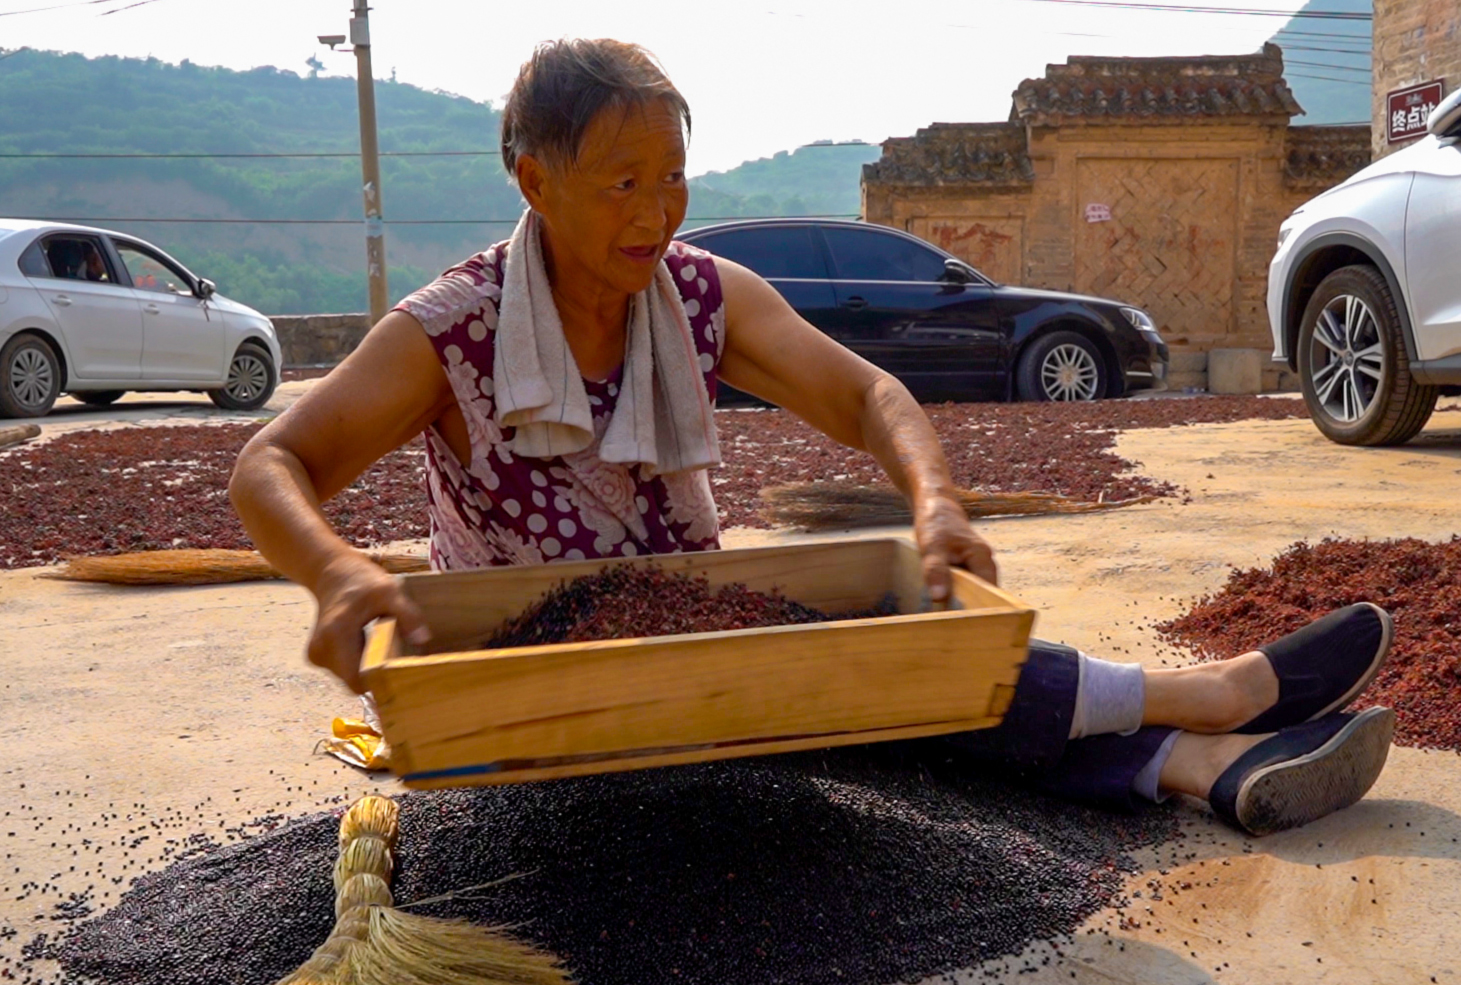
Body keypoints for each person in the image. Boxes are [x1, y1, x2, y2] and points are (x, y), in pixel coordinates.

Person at [229, 39, 1396, 838]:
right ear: (534, 178)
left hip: (697, 632)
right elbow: (269, 464)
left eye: (674, 178)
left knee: (878, 672)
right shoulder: (450, 329)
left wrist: (935, 501)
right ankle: (1199, 700)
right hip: (534, 692)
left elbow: (869, 399)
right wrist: (337, 573)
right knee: (853, 698)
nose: (656, 213)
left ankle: (1190, 762)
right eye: (622, 182)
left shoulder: (697, 296)